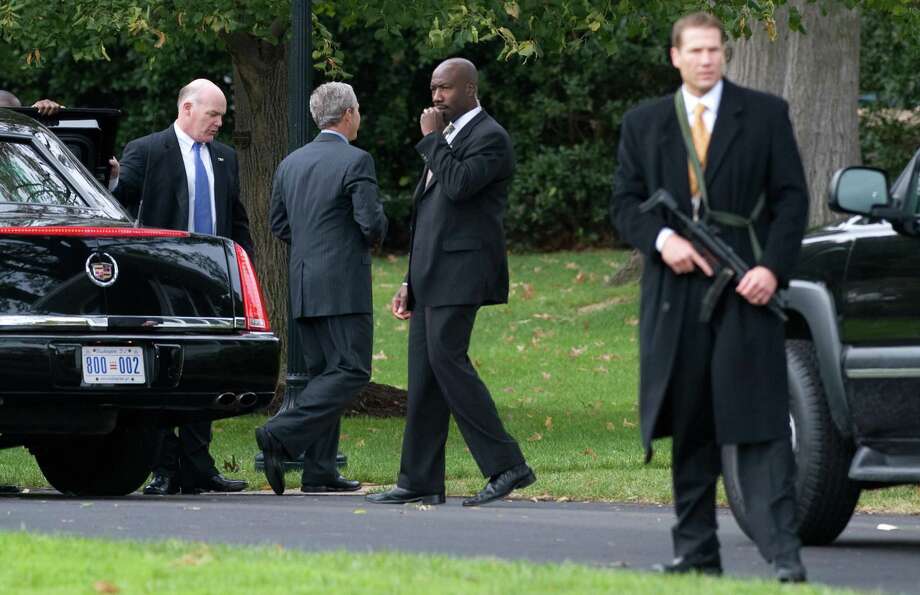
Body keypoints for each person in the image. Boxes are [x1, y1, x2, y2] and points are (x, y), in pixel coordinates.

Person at [610, 12, 809, 582]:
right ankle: (696, 552)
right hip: (675, 299)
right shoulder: (645, 123)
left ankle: (785, 557)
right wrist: (663, 239)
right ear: (675, 56)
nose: (706, 60)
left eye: (714, 51)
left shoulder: (765, 114)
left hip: (746, 293)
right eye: (695, 51)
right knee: (691, 427)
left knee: (762, 426)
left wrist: (772, 268)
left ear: (724, 54)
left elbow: (792, 200)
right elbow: (624, 202)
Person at [366, 58, 535, 508]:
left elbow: (460, 186)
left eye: (445, 88)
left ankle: (507, 465)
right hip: (430, 275)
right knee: (424, 375)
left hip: (463, 273)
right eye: (433, 87)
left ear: (470, 89)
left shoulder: (490, 138)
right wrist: (408, 279)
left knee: (448, 361)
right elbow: (428, 216)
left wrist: (430, 140)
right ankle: (419, 479)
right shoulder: (447, 138)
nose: (436, 96)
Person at [112, 78, 253, 495]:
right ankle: (164, 466)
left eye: (223, 116)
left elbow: (236, 219)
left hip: (209, 283)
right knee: (156, 377)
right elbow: (117, 204)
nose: (219, 123)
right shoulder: (149, 150)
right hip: (157, 283)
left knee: (204, 374)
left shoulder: (225, 158)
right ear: (187, 108)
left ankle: (198, 467)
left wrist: (242, 268)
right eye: (213, 114)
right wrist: (116, 179)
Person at [254, 82, 387, 496]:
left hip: (304, 285)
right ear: (348, 114)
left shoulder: (290, 163)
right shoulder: (356, 160)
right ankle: (279, 432)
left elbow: (279, 225)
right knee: (350, 370)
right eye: (359, 109)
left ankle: (320, 470)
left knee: (321, 378)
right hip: (343, 286)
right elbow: (371, 223)